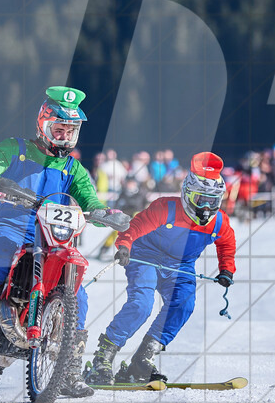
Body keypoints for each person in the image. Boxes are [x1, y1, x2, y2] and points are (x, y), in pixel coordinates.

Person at [0, 86, 130, 399]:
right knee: (2, 253)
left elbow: (89, 197)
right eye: (59, 130)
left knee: (77, 293)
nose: (65, 137)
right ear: (43, 125)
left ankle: (67, 368)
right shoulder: (15, 148)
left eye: (71, 132)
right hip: (14, 226)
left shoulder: (73, 168)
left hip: (52, 234)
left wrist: (101, 213)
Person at [84, 152, 237, 385]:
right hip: (146, 256)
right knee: (141, 305)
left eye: (212, 201)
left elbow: (226, 243)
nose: (206, 207)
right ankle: (104, 357)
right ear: (187, 193)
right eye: (200, 199)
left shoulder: (218, 222)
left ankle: (143, 358)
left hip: (181, 266)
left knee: (184, 304)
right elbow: (134, 226)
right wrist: (124, 245)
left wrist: (226, 269)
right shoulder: (166, 208)